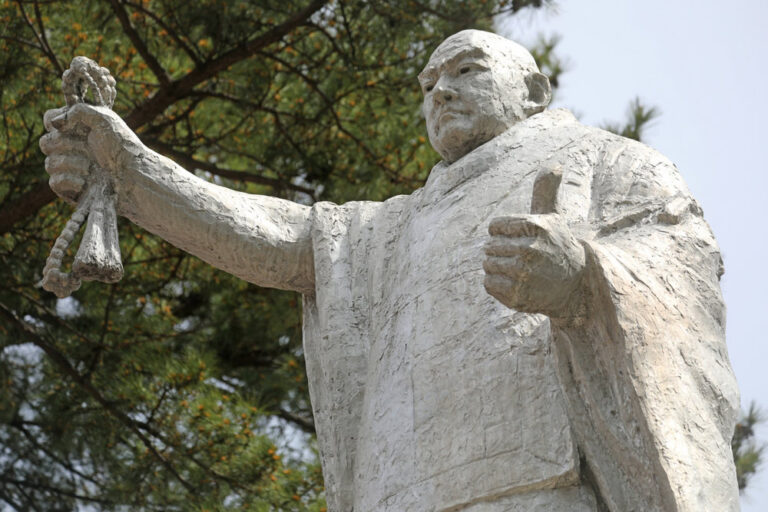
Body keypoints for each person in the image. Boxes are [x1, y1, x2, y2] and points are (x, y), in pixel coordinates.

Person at [41, 30, 740, 512]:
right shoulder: (390, 227)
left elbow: (679, 269)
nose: (438, 91)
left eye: (465, 70)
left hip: (542, 484)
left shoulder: (610, 163)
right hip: (398, 488)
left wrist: (584, 277)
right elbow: (273, 236)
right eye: (427, 81)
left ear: (533, 90)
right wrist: (129, 173)